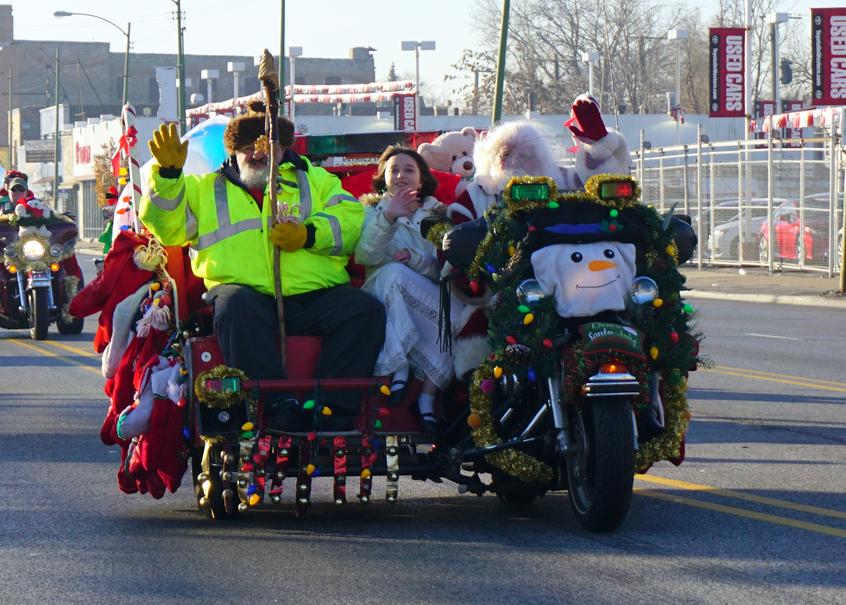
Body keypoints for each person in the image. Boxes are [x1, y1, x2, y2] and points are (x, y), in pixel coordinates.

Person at [139, 103, 385, 432]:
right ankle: (277, 406)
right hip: (245, 296)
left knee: (364, 310)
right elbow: (167, 226)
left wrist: (309, 234)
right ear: (233, 151)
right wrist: (168, 176)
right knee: (235, 306)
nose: (257, 156)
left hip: (314, 294)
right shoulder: (204, 187)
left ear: (283, 148)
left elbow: (350, 220)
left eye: (267, 148)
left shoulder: (317, 181)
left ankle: (332, 410)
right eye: (247, 149)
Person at [355, 147, 477, 435]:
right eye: (394, 170)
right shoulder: (369, 211)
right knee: (395, 274)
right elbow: (366, 256)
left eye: (409, 170)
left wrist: (416, 258)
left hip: (424, 291)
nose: (401, 175)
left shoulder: (437, 214)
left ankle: (427, 399)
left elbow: (443, 268)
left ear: (421, 180)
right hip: (382, 291)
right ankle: (398, 365)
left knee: (460, 314)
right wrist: (388, 218)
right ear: (383, 178)